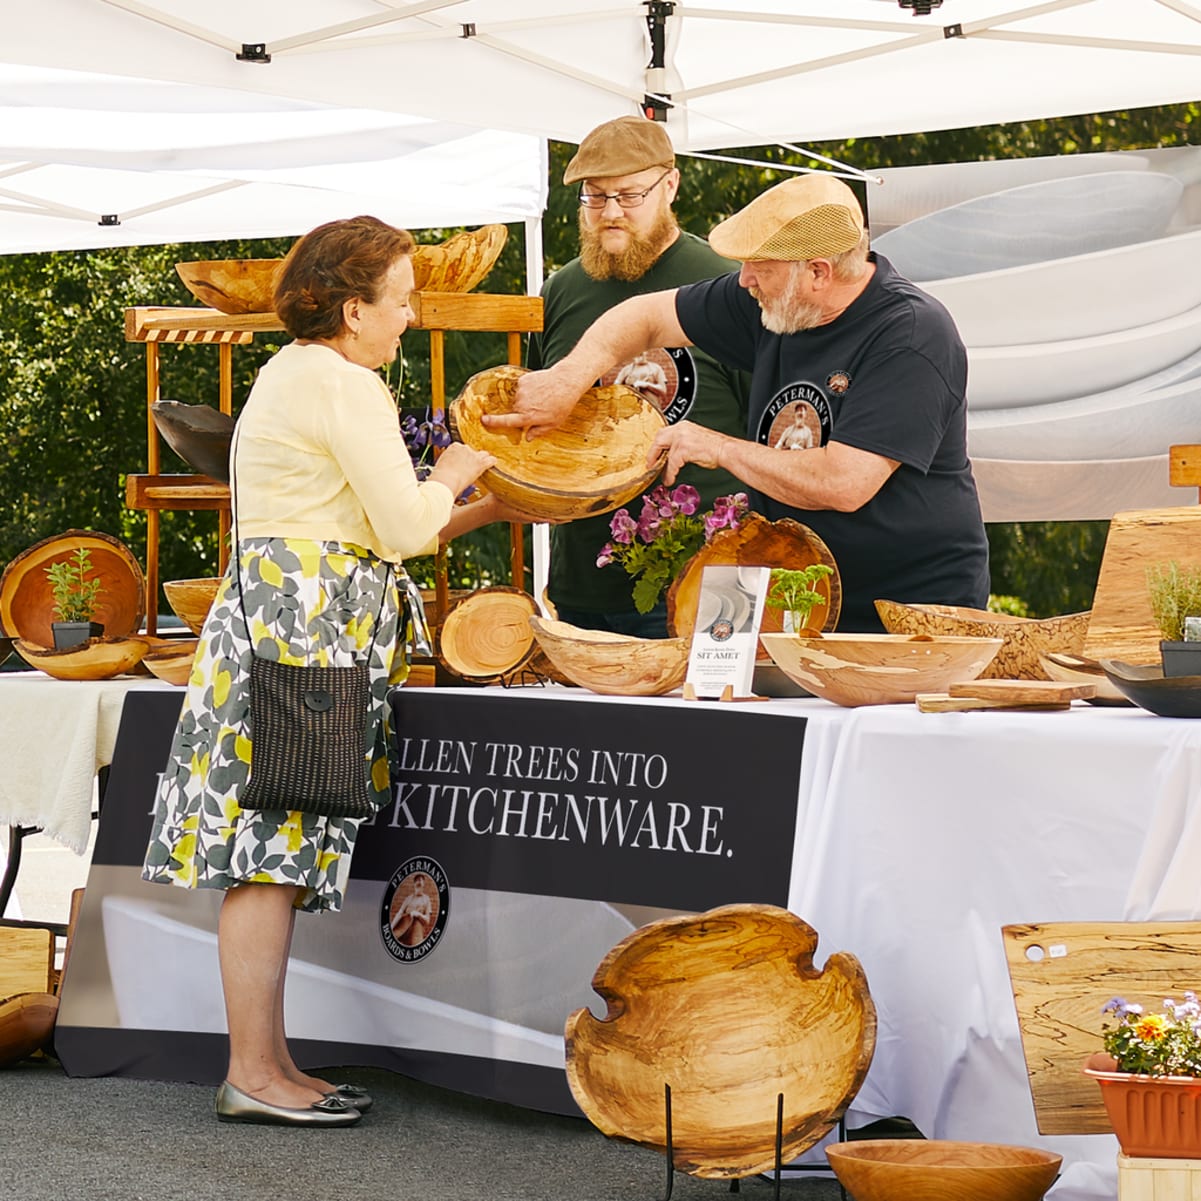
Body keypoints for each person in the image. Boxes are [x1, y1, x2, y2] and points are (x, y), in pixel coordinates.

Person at [141, 215, 522, 1128]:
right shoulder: (347, 388)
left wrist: (485, 506)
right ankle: (251, 1074)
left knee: (278, 851)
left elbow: (367, 527)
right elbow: (399, 530)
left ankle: (268, 1065)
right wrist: (462, 467)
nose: (408, 316)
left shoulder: (298, 374)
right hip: (305, 633)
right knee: (270, 858)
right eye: (397, 301)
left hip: (292, 621)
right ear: (353, 310)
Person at [489, 173, 989, 632]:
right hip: (795, 596)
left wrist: (719, 447)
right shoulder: (770, 303)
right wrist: (568, 378)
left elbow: (845, 483)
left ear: (817, 272)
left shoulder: (912, 334)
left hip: (910, 613)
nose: (744, 280)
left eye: (760, 268)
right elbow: (643, 315)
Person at [528, 115, 751, 638]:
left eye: (629, 195)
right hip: (581, 582)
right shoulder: (559, 291)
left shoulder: (725, 281)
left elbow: (766, 429)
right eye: (595, 196)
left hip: (704, 581)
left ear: (670, 184)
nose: (609, 213)